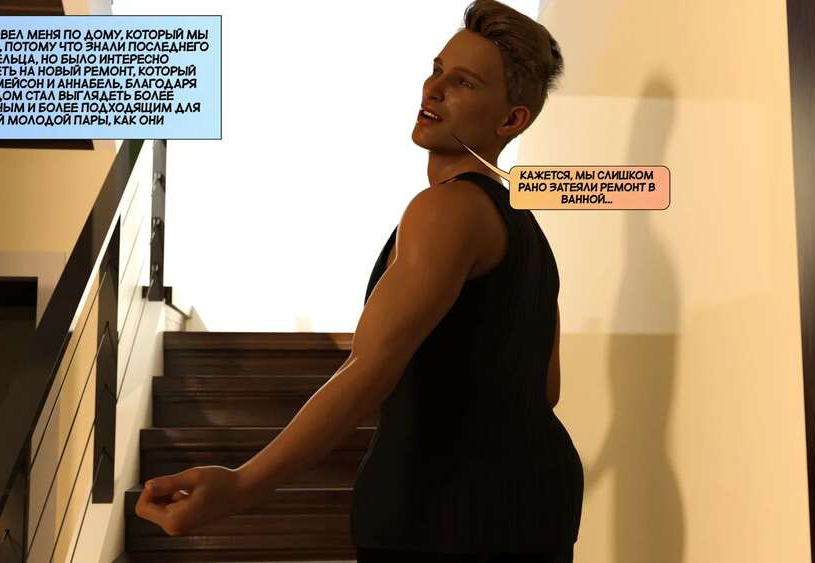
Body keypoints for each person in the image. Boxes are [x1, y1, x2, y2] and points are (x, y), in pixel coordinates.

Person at [136, 1, 582, 561]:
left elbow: (370, 366)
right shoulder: (528, 231)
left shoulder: (446, 209)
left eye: (463, 82)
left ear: (511, 120)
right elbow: (545, 388)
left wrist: (243, 484)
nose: (434, 88)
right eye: (437, 69)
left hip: (443, 507)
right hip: (538, 498)